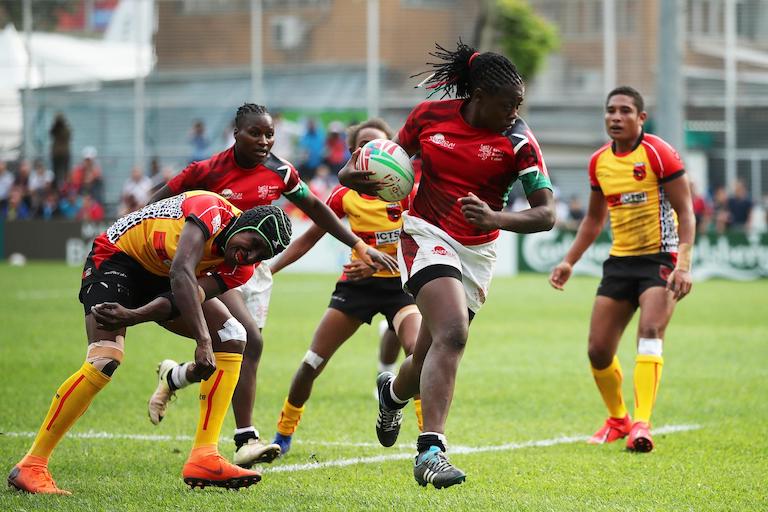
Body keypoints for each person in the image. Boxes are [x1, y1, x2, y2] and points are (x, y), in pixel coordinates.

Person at [338, 41, 556, 488]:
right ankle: (431, 451)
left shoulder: (519, 141)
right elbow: (380, 163)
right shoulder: (427, 118)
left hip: (479, 250)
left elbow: (546, 213)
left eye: (519, 104)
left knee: (426, 355)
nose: (515, 112)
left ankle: (392, 393)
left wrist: (496, 218)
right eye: (506, 104)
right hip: (425, 234)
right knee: (454, 332)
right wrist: (348, 176)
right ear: (477, 96)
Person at [144, 103, 397, 468]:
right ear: (236, 133)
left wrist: (357, 244)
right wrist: (128, 242)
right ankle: (243, 438)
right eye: (255, 133)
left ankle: (176, 376)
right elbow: (157, 202)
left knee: (234, 351)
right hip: (213, 269)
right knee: (246, 341)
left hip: (252, 273)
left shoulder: (280, 171)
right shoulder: (207, 171)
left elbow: (316, 209)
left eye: (269, 134)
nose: (264, 141)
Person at [7, 192, 293, 494]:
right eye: (252, 244)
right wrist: (202, 340)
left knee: (233, 336)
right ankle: (32, 465)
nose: (249, 256)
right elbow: (181, 271)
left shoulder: (241, 269)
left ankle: (205, 456)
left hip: (163, 275)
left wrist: (134, 315)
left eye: (261, 255)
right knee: (105, 359)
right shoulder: (211, 211)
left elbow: (186, 296)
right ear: (244, 225)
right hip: (117, 258)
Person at [548, 86, 695, 453]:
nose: (616, 117)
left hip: (660, 259)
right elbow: (594, 220)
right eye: (611, 110)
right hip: (620, 262)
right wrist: (569, 260)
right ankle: (618, 420)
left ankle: (642, 423)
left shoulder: (659, 154)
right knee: (598, 349)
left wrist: (683, 264)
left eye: (625, 111)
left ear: (641, 118)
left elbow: (687, 212)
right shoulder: (599, 161)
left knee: (650, 330)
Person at [269, 118, 423, 456]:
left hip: (400, 289)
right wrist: (270, 269)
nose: (375, 152)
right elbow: (309, 237)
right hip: (356, 288)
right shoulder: (345, 196)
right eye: (365, 146)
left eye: (381, 145)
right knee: (312, 361)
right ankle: (282, 435)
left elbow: (425, 239)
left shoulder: (408, 191)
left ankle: (426, 444)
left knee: (420, 356)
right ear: (355, 155)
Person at [49, 113, 71, 186]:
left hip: (64, 153)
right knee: (55, 172)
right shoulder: (55, 128)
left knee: (65, 171)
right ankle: (56, 186)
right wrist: (55, 126)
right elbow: (51, 133)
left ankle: (66, 186)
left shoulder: (66, 129)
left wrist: (62, 126)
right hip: (56, 153)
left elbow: (67, 136)